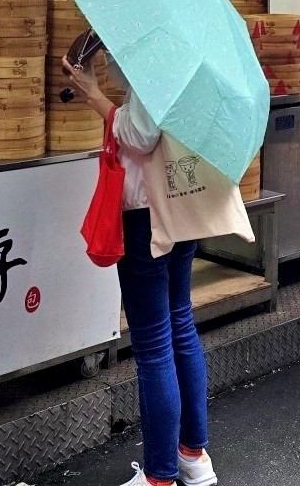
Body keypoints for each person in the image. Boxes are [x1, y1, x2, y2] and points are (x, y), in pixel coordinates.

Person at [63, 43, 219, 486]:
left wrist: (95, 95)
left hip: (144, 212)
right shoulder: (192, 45)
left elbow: (140, 134)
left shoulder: (159, 52)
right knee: (180, 322)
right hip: (181, 200)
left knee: (153, 344)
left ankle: (159, 476)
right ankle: (193, 455)